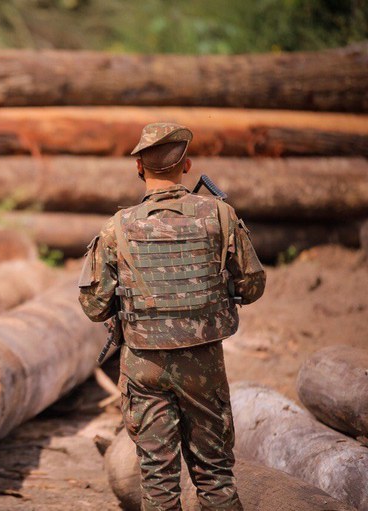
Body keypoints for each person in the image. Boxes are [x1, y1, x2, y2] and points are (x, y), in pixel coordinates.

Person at [78, 123, 266, 510]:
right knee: (215, 475)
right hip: (204, 363)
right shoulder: (221, 215)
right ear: (188, 165)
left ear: (139, 169)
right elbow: (253, 286)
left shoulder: (117, 228)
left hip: (144, 364)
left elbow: (94, 307)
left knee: (158, 482)